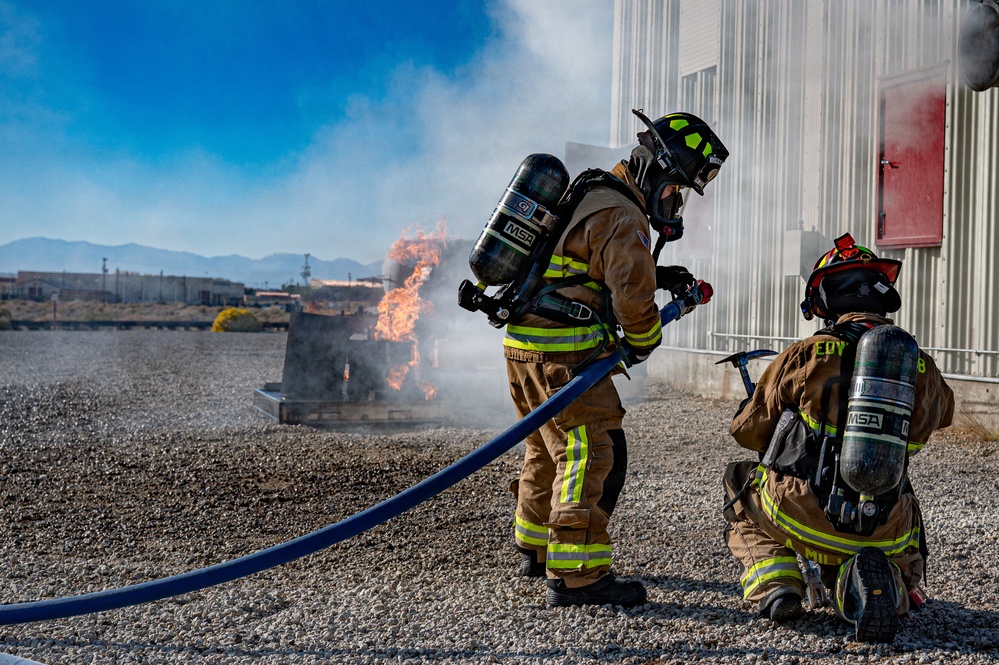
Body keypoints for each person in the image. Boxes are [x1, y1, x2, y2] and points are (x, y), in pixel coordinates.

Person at [506, 110, 728, 607]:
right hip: (565, 355)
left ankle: (534, 546)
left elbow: (589, 268)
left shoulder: (594, 194)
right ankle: (577, 574)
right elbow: (631, 295)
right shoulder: (623, 214)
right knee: (591, 451)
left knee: (547, 447)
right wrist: (645, 340)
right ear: (656, 170)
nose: (675, 201)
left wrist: (660, 273)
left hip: (526, 347)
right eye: (675, 189)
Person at [721, 233, 954, 642]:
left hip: (802, 515)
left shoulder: (806, 354)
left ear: (826, 301)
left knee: (739, 483)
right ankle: (878, 586)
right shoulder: (920, 365)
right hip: (886, 526)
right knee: (903, 548)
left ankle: (777, 586)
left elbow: (748, 433)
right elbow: (942, 417)